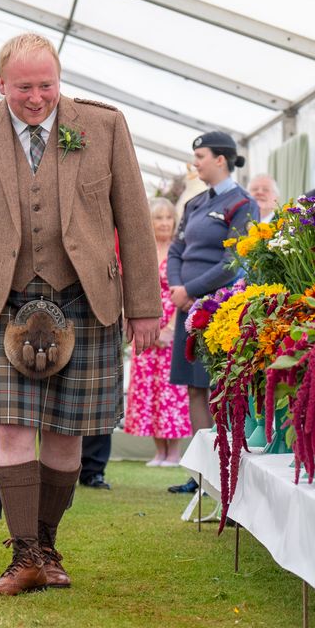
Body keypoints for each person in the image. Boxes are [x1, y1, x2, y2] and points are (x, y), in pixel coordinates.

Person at [0, 32, 160, 597]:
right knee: (12, 428)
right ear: (0, 83)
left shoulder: (103, 126)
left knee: (67, 432)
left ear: (60, 78)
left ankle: (46, 547)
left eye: (47, 85)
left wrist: (144, 305)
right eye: (24, 87)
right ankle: (24, 557)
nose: (37, 98)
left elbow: (134, 215)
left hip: (84, 298)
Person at [166, 131, 257, 494]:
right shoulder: (194, 203)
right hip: (187, 306)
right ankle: (201, 475)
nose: (196, 162)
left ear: (221, 159)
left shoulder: (242, 204)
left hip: (216, 310)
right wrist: (177, 289)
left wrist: (191, 291)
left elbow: (234, 260)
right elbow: (176, 248)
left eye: (200, 155)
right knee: (194, 388)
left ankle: (225, 472)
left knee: (217, 387)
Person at [124, 197, 190, 466]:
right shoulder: (142, 250)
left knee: (171, 390)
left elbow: (182, 290)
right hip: (145, 327)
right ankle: (158, 450)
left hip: (172, 327)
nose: (164, 223)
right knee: (148, 389)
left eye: (167, 217)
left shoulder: (179, 251)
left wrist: (170, 329)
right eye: (158, 218)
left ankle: (173, 452)